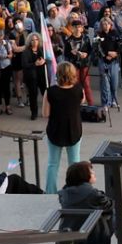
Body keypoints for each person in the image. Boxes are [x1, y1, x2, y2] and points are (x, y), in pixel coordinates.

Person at [56, 161, 115, 244]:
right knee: (113, 211)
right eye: (91, 172)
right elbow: (110, 205)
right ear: (84, 175)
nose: (94, 173)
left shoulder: (64, 194)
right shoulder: (93, 194)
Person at [43, 62, 85, 194]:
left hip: (55, 129)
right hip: (74, 129)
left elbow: (45, 114)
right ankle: (76, 191)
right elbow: (81, 102)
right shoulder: (79, 90)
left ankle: (50, 192)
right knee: (74, 163)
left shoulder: (50, 92)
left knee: (53, 164)